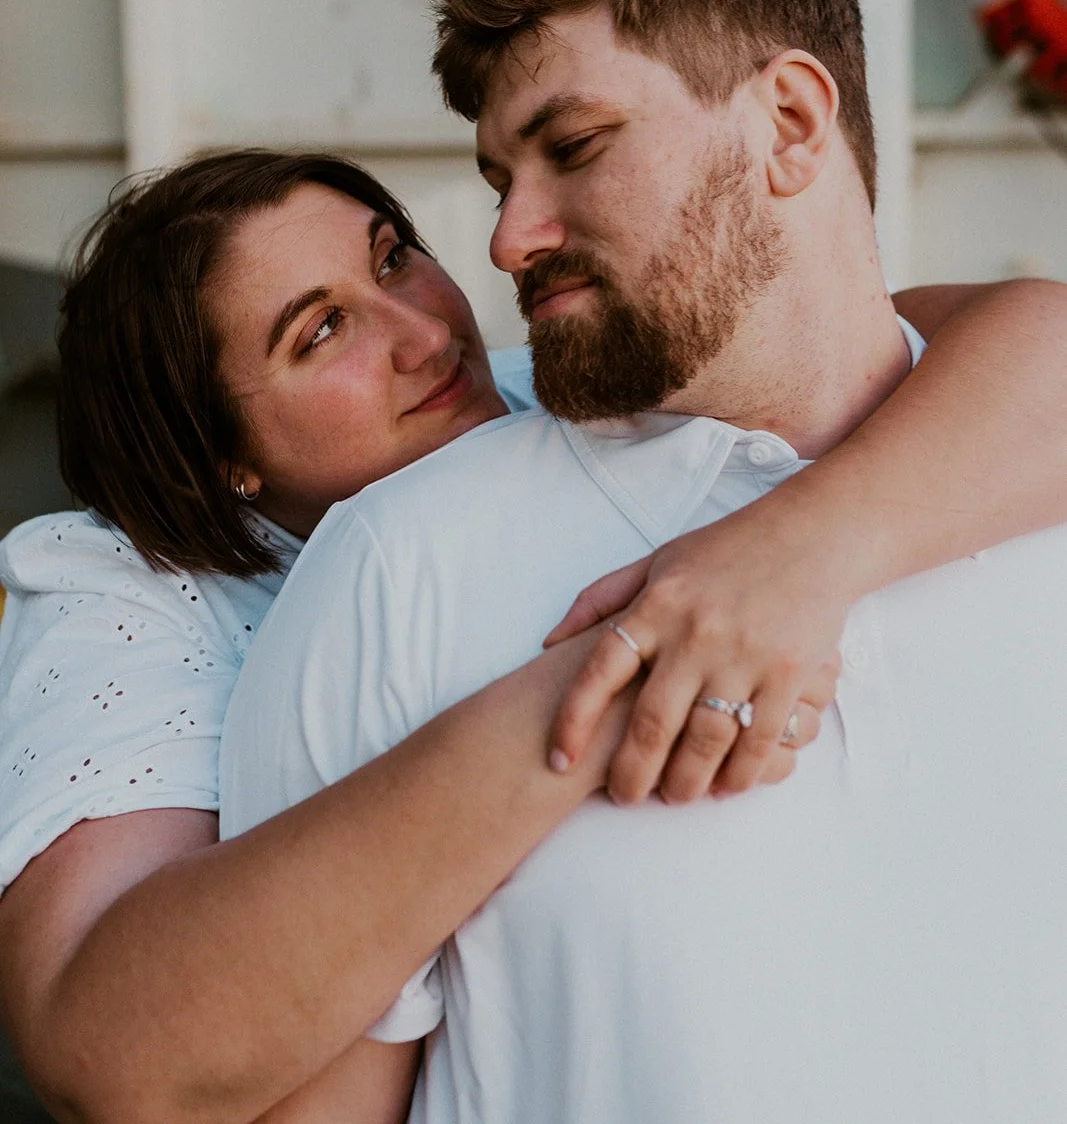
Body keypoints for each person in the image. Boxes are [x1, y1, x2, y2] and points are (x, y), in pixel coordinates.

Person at [0, 102, 1065, 1120]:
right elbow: (109, 1050)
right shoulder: (126, 593)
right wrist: (627, 670)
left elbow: (1011, 347)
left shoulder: (518, 392)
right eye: (321, 331)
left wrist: (794, 554)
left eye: (391, 256)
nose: (421, 330)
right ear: (217, 462)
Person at [223, 0, 1067, 1124]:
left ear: (788, 121)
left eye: (572, 149)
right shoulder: (396, 567)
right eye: (499, 175)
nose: (506, 239)